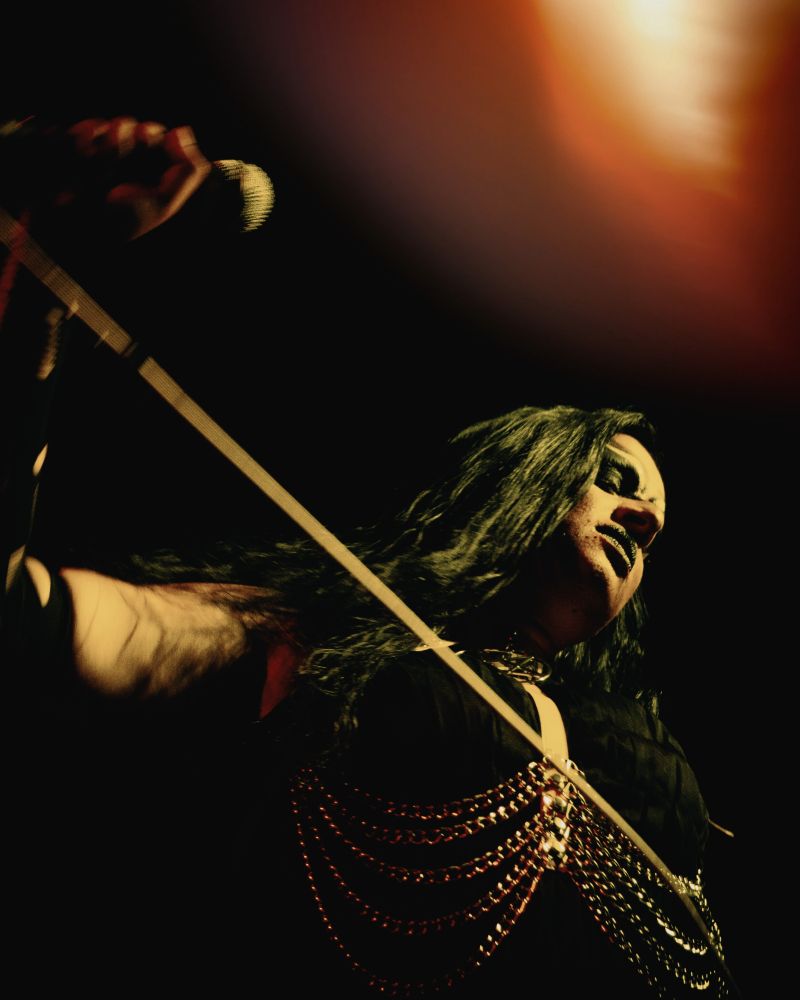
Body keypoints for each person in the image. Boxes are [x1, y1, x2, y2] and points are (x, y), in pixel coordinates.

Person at [1, 118, 729, 998]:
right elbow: (19, 616)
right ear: (523, 476)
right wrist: (41, 287)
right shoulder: (316, 636)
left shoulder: (631, 743)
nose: (643, 518)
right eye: (612, 477)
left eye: (654, 514)